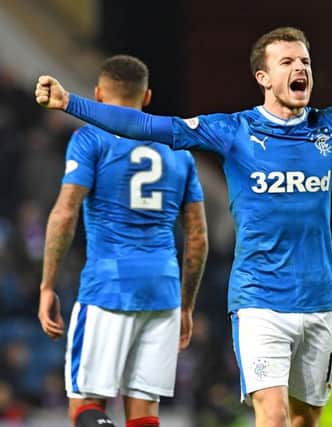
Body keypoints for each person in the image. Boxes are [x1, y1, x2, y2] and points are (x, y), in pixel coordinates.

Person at [35, 28, 332, 427]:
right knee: (272, 415)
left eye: (306, 61)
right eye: (289, 61)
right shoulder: (232, 130)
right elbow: (147, 124)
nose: (302, 69)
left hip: (319, 300)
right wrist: (70, 102)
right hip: (258, 300)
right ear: (264, 77)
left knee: (304, 418)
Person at [37, 55, 209, 427]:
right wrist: (186, 305)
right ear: (146, 97)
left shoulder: (89, 138)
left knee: (85, 404)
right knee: (144, 413)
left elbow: (65, 212)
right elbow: (197, 237)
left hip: (108, 285)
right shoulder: (178, 151)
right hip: (162, 290)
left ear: (98, 95)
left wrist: (47, 285)